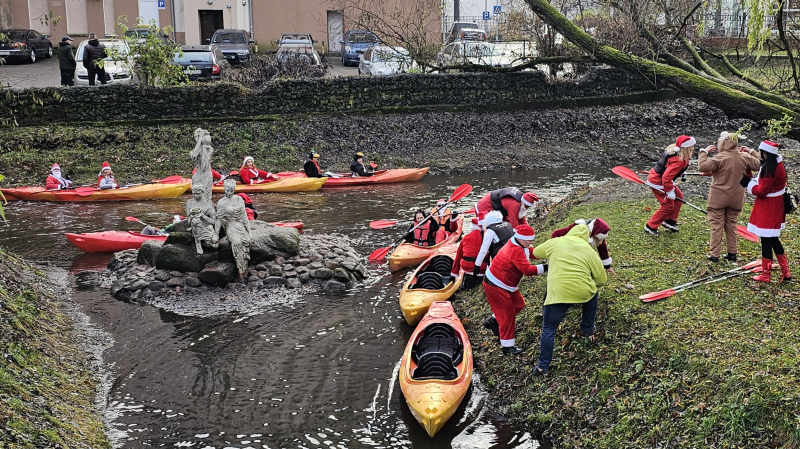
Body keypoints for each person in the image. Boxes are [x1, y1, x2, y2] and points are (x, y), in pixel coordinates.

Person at [531, 224, 607, 376]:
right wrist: (591, 283)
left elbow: (536, 251)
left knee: (549, 330)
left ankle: (542, 367)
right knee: (593, 292)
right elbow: (602, 280)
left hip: (557, 294)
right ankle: (587, 328)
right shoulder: (588, 250)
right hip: (582, 291)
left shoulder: (556, 242)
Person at [482, 224, 546, 355]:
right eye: (529, 240)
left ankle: (493, 321)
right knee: (507, 315)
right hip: (496, 284)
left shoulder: (519, 243)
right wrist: (546, 267)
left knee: (518, 304)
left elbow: (531, 252)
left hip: (506, 283)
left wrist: (548, 253)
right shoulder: (515, 250)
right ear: (521, 238)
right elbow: (528, 270)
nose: (531, 243)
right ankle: (508, 347)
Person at [698, 132, 761, 262]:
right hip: (737, 197)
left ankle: (714, 255)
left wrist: (704, 152)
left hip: (718, 197)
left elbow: (702, 166)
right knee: (731, 224)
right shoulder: (744, 157)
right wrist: (752, 152)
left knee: (716, 226)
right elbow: (759, 164)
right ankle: (732, 253)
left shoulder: (719, 158)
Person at [744, 140, 791, 282]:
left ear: (766, 153)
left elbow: (762, 191)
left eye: (761, 152)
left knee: (766, 239)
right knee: (773, 238)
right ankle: (785, 271)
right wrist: (751, 152)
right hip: (776, 205)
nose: (760, 154)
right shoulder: (776, 163)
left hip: (769, 207)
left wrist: (748, 184)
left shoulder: (769, 170)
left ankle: (766, 274)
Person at [644, 135, 695, 235]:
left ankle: (669, 221)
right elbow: (666, 178)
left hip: (662, 180)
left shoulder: (679, 154)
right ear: (686, 148)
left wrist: (681, 172)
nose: (693, 148)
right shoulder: (678, 161)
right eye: (692, 146)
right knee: (668, 206)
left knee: (679, 197)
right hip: (658, 182)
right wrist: (669, 191)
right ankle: (650, 226)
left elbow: (670, 169)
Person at [551, 217, 616, 276]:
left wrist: (607, 266)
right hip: (567, 249)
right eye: (599, 239)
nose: (601, 242)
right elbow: (556, 234)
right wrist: (553, 252)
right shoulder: (576, 228)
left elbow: (602, 248)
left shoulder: (598, 235)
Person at [451, 217, 487, 289]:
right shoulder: (487, 237)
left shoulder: (466, 237)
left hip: (467, 267)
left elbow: (458, 256)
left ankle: (465, 284)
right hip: (482, 268)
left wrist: (454, 273)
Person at [475, 188, 539, 228]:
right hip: (486, 206)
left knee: (505, 226)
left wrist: (528, 229)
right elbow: (514, 224)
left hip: (498, 208)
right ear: (523, 202)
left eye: (528, 207)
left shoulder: (521, 200)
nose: (526, 208)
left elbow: (521, 218)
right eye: (526, 206)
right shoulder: (514, 205)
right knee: (488, 229)